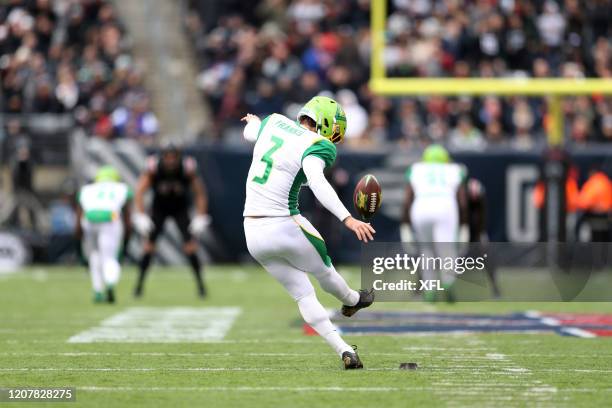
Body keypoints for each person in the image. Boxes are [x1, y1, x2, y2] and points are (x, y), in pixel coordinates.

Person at [241, 96, 375, 369]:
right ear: (326, 124)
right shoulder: (316, 144)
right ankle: (352, 300)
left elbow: (250, 132)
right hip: (284, 224)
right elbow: (317, 182)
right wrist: (347, 218)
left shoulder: (273, 122)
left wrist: (254, 122)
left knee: (303, 295)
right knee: (325, 272)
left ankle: (344, 351)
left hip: (252, 232)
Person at [132, 143, 211, 298]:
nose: (170, 161)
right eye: (167, 157)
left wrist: (201, 215)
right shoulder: (154, 167)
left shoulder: (187, 168)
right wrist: (141, 214)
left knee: (190, 247)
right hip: (159, 209)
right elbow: (140, 190)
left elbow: (200, 193)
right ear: (163, 157)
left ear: (178, 157)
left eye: (173, 157)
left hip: (180, 209)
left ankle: (201, 286)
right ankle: (139, 287)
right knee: (148, 247)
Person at [400, 144, 468, 302]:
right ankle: (448, 282)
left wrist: (405, 225)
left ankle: (430, 290)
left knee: (426, 250)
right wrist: (464, 225)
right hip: (445, 205)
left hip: (421, 206)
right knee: (447, 249)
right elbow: (463, 202)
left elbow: (407, 199)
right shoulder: (455, 169)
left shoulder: (416, 169)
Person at [75, 166, 132, 303]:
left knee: (94, 254)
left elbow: (78, 219)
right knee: (109, 257)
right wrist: (127, 235)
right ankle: (110, 283)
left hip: (89, 219)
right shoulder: (122, 188)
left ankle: (97, 290)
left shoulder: (87, 189)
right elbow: (127, 217)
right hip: (109, 219)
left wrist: (78, 235)